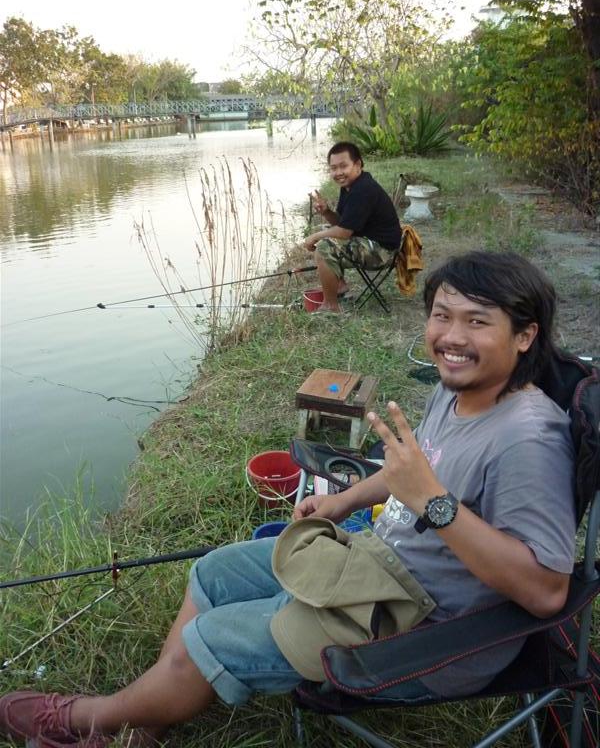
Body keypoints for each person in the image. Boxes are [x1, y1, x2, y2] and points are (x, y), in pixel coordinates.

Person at [0, 251, 576, 747]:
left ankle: (82, 718)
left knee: (211, 637)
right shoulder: (460, 390)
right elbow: (412, 473)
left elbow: (547, 590)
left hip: (428, 631)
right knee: (214, 573)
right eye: (442, 315)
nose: (451, 337)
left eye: (477, 321)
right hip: (381, 568)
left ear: (524, 335)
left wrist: (435, 503)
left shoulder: (528, 438)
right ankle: (146, 715)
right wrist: (346, 502)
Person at [305, 142, 402, 313]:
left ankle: (330, 306)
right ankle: (340, 286)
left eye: (343, 166)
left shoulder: (363, 189)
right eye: (333, 168)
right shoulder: (350, 187)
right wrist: (327, 211)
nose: (338, 172)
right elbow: (342, 223)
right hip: (370, 242)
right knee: (326, 231)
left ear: (357, 165)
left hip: (383, 252)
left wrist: (315, 237)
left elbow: (343, 232)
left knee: (324, 247)